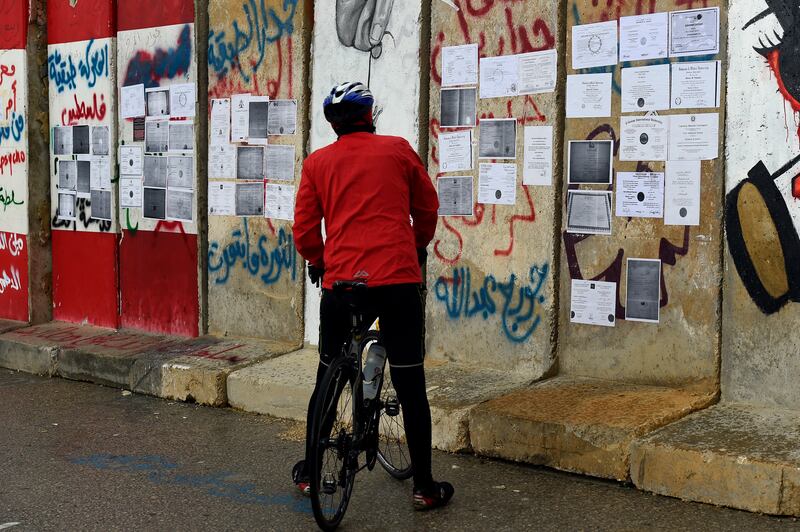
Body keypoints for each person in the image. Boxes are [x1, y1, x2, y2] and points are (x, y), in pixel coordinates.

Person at [291, 81, 454, 511]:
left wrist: (319, 259)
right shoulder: (398, 150)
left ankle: (310, 472)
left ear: (332, 123)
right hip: (398, 282)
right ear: (370, 116)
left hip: (342, 285)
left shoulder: (317, 163)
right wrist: (416, 247)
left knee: (327, 373)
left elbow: (305, 232)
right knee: (410, 382)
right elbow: (427, 208)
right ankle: (424, 486)